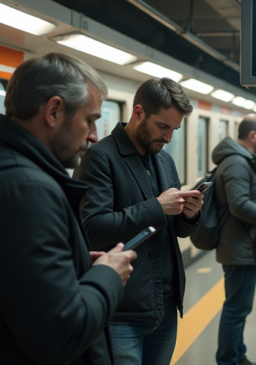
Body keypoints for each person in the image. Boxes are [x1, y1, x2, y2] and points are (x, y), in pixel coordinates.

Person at [0, 53, 136, 363]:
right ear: (53, 111)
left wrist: (77, 267)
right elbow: (61, 334)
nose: (93, 135)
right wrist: (107, 277)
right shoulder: (25, 191)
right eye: (89, 120)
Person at [75, 77, 202, 365]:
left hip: (165, 306)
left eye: (174, 130)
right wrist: (157, 207)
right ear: (138, 113)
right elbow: (91, 228)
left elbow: (174, 229)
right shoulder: (100, 158)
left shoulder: (164, 160)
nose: (168, 137)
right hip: (122, 312)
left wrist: (190, 214)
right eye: (163, 126)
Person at [213, 115, 256, 365]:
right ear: (253, 136)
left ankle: (238, 356)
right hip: (239, 247)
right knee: (236, 309)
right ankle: (228, 360)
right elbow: (239, 205)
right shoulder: (237, 163)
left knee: (239, 308)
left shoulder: (241, 160)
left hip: (243, 245)